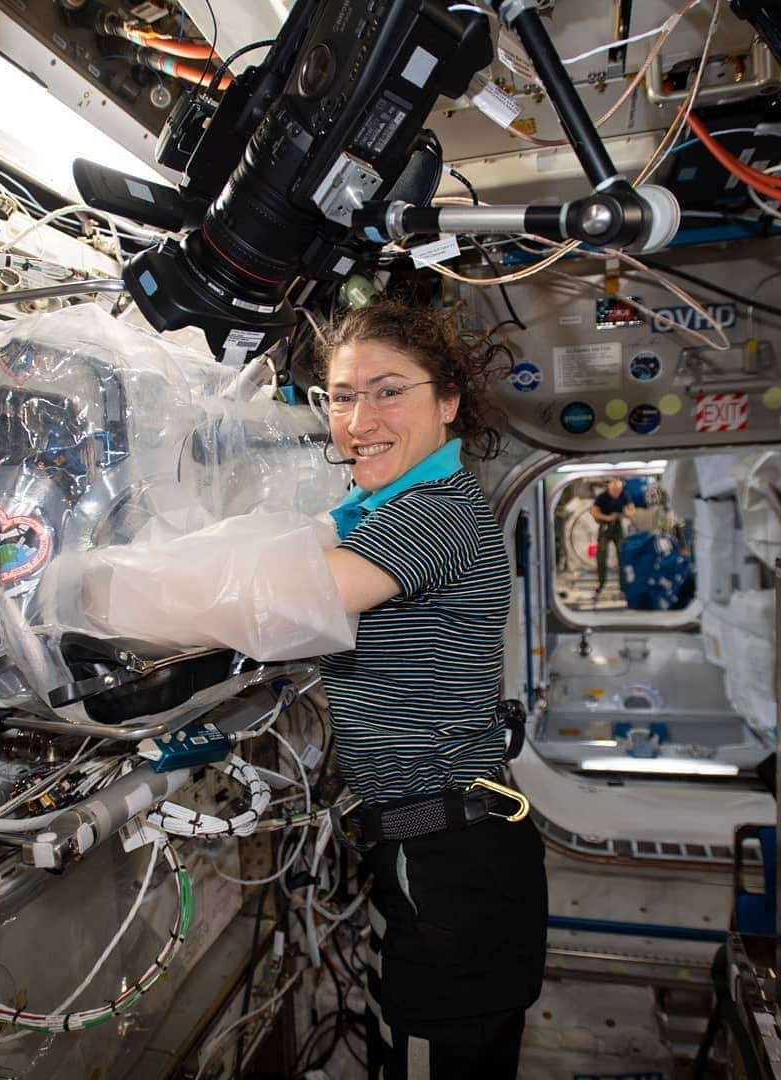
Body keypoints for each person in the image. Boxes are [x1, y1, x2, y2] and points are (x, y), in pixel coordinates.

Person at [313, 299, 547, 1080]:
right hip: (436, 845)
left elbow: (290, 601)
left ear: (447, 402)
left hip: (452, 859)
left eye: (388, 391)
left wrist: (94, 590)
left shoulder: (435, 515)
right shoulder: (388, 511)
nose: (359, 417)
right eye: (342, 396)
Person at [590, 476, 635, 595]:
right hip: (605, 526)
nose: (616, 492)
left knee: (623, 554)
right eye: (614, 490)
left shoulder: (624, 495)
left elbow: (632, 510)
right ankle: (601, 583)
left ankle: (623, 586)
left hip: (617, 527)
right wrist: (607, 518)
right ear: (609, 488)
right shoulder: (602, 497)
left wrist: (625, 513)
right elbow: (594, 512)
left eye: (618, 490)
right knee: (601, 555)